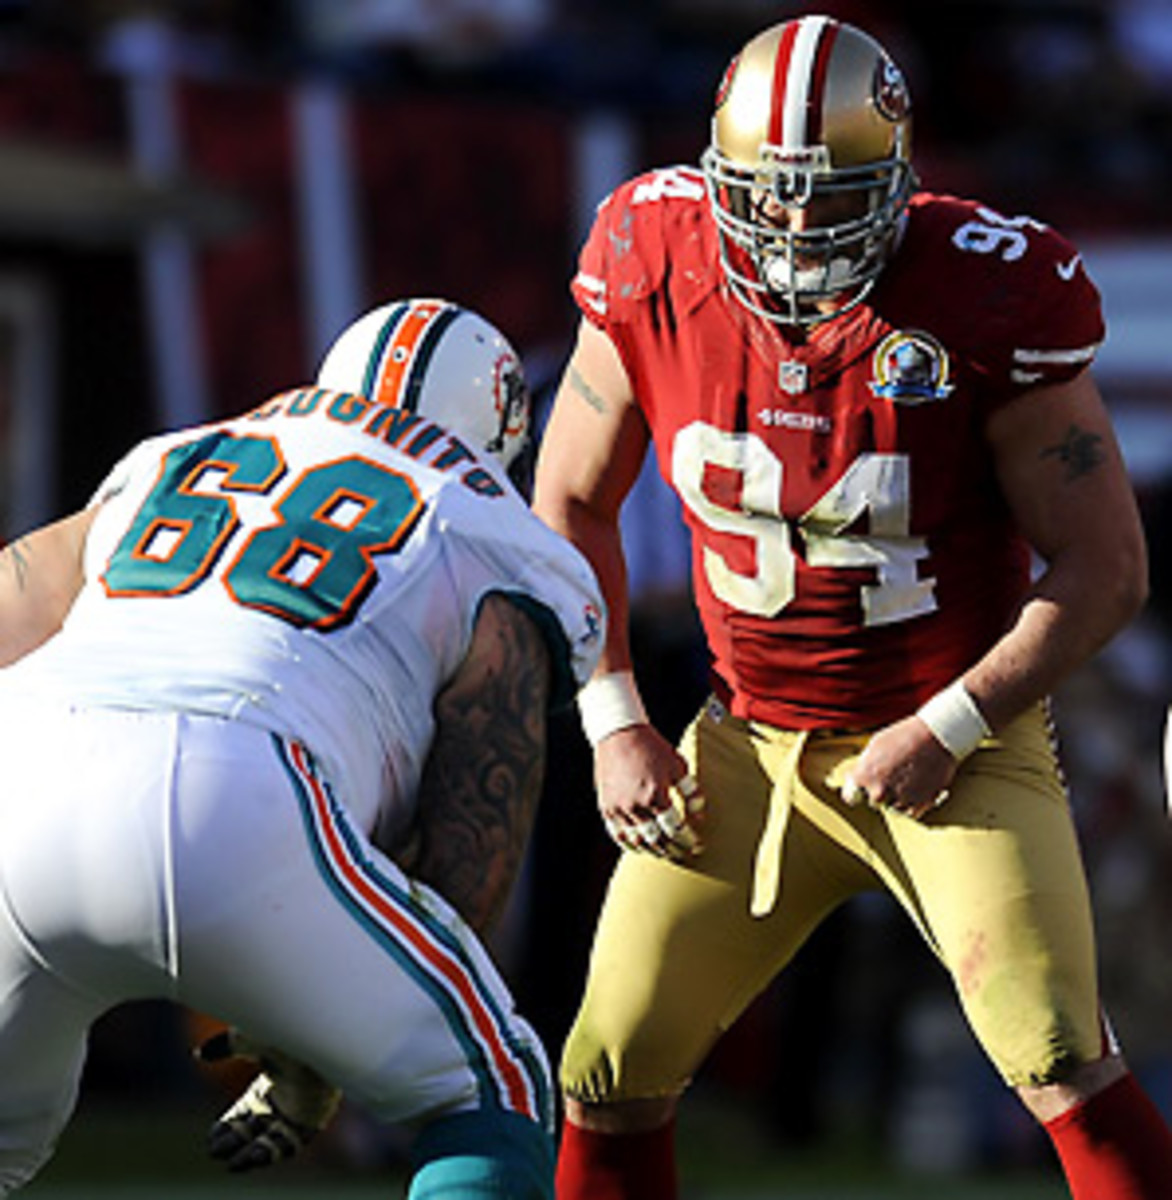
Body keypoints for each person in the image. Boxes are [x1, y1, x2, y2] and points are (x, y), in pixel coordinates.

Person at [531, 15, 1172, 1200]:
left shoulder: (985, 292)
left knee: (1057, 1059)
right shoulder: (648, 250)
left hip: (953, 744)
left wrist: (952, 725)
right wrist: (613, 717)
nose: (785, 223)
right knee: (607, 1064)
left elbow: (1104, 567)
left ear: (896, 181)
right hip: (742, 739)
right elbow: (568, 498)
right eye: (762, 192)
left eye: (825, 196)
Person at [0, 296, 604, 1198]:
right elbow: (468, 851)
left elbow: (16, 604)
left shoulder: (176, 458)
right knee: (491, 1086)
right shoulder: (492, 532)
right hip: (237, 789)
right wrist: (329, 1042)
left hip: (24, 769)